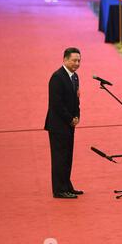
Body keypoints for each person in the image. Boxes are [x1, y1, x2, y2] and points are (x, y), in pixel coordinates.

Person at [44, 47, 83, 199]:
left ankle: (67, 185)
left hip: (69, 124)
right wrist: (70, 119)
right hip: (58, 124)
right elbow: (56, 104)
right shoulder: (57, 77)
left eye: (79, 60)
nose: (77, 63)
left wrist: (77, 115)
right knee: (59, 157)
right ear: (65, 60)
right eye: (74, 60)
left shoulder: (74, 77)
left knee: (68, 156)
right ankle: (59, 189)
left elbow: (76, 99)